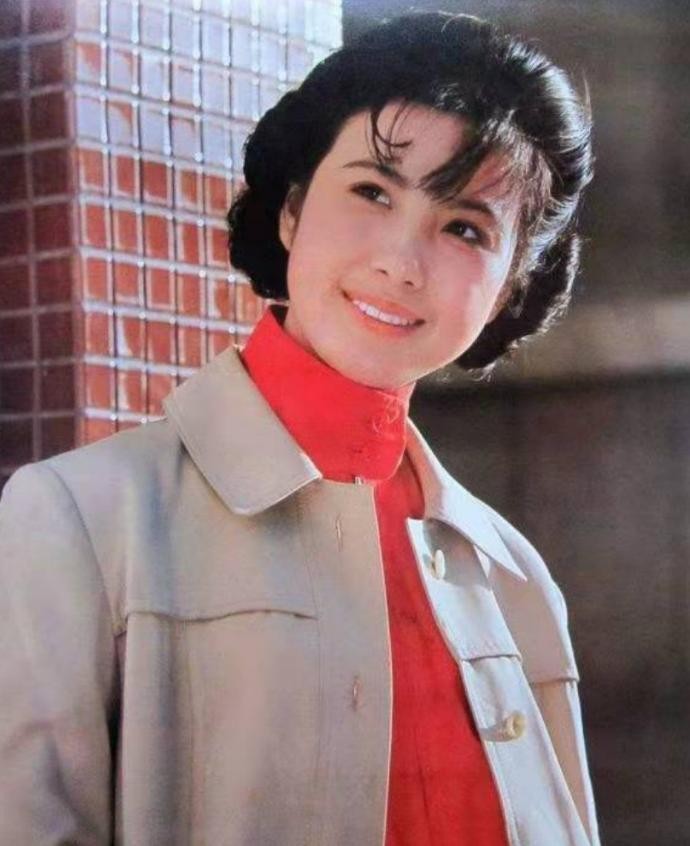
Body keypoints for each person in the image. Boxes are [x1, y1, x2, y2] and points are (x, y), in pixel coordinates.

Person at [0, 11, 598, 846]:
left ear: (505, 292)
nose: (401, 261)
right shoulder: (81, 519)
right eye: (372, 192)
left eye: (464, 228)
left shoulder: (515, 576)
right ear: (291, 211)